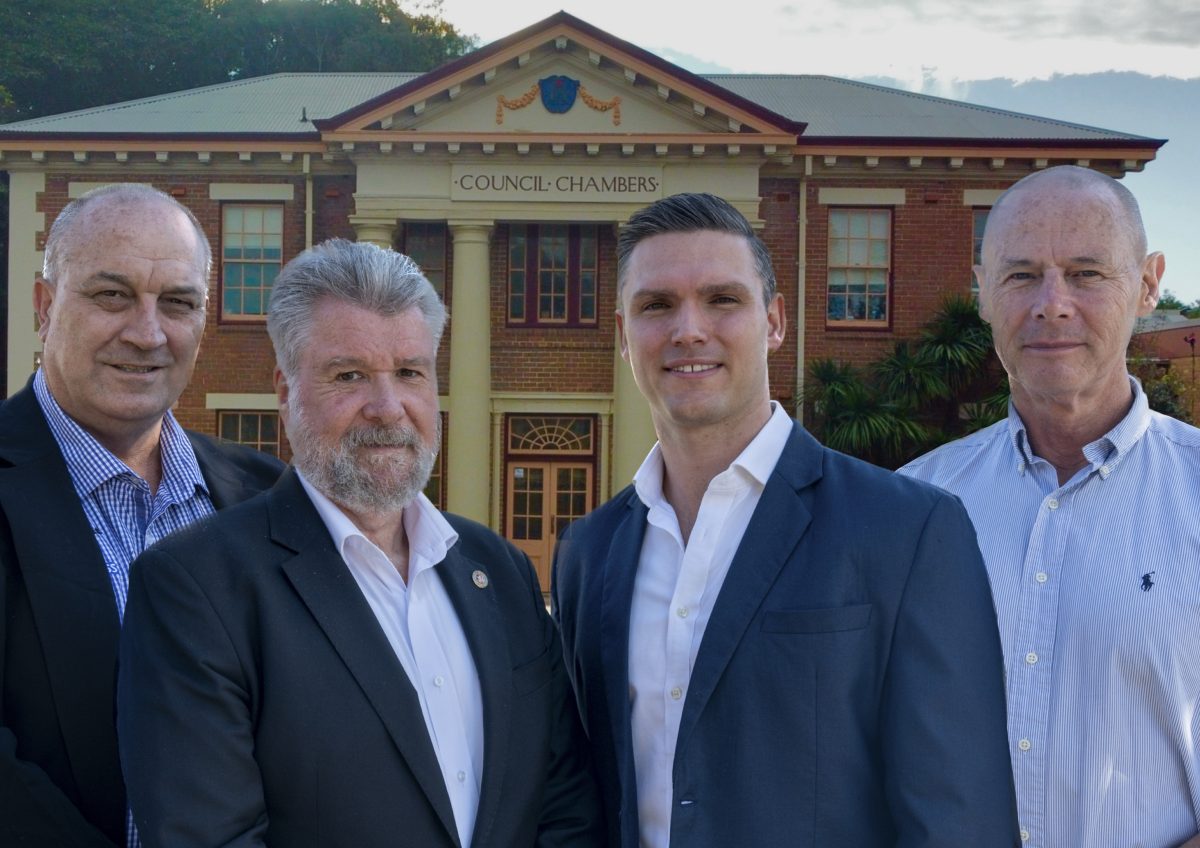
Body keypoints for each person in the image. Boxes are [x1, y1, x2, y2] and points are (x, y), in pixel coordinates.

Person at [552, 192, 1019, 848]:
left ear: (774, 321)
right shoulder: (590, 551)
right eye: (656, 305)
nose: (689, 329)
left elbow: (960, 823)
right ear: (624, 337)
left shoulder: (908, 531)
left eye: (722, 299)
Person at [117, 238, 604, 848]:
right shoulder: (196, 587)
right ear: (286, 391)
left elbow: (566, 808)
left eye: (409, 373)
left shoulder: (497, 569)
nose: (387, 407)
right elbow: (212, 837)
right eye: (349, 375)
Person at [900, 165, 1200, 848]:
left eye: (1088, 273)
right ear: (981, 292)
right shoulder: (915, 504)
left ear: (1149, 284)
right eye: (1021, 275)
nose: (1052, 303)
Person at [0, 184, 284, 847]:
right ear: (44, 308)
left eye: (178, 303)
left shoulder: (268, 500)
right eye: (112, 295)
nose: (148, 332)